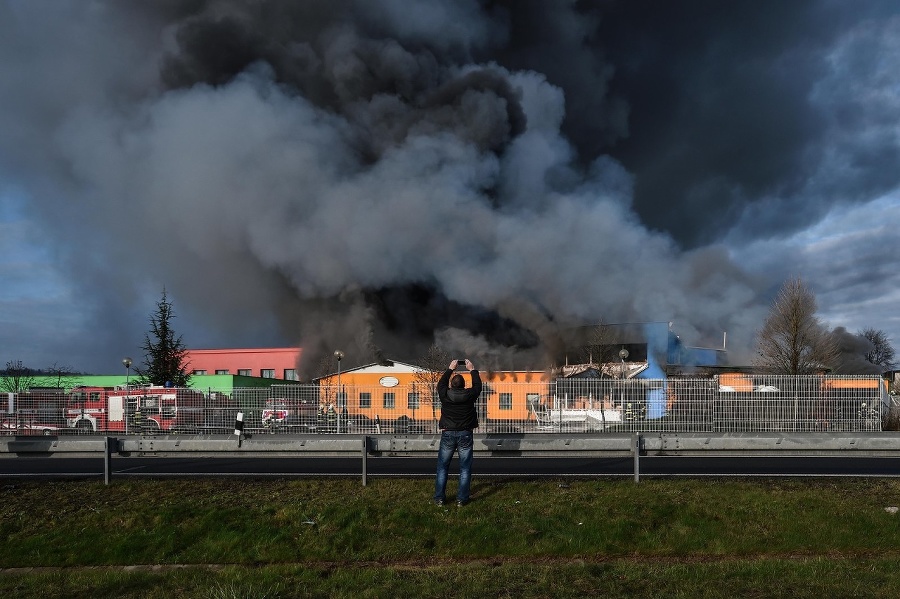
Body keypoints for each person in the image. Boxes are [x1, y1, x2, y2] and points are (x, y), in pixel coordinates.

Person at [433, 359, 482, 507]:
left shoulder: (445, 394)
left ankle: (440, 498)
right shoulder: (470, 395)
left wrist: (450, 369)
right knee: (465, 467)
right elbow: (478, 386)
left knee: (442, 467)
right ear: (464, 385)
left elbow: (440, 384)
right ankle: (462, 499)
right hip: (465, 434)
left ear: (451, 385)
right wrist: (472, 369)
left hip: (448, 433)